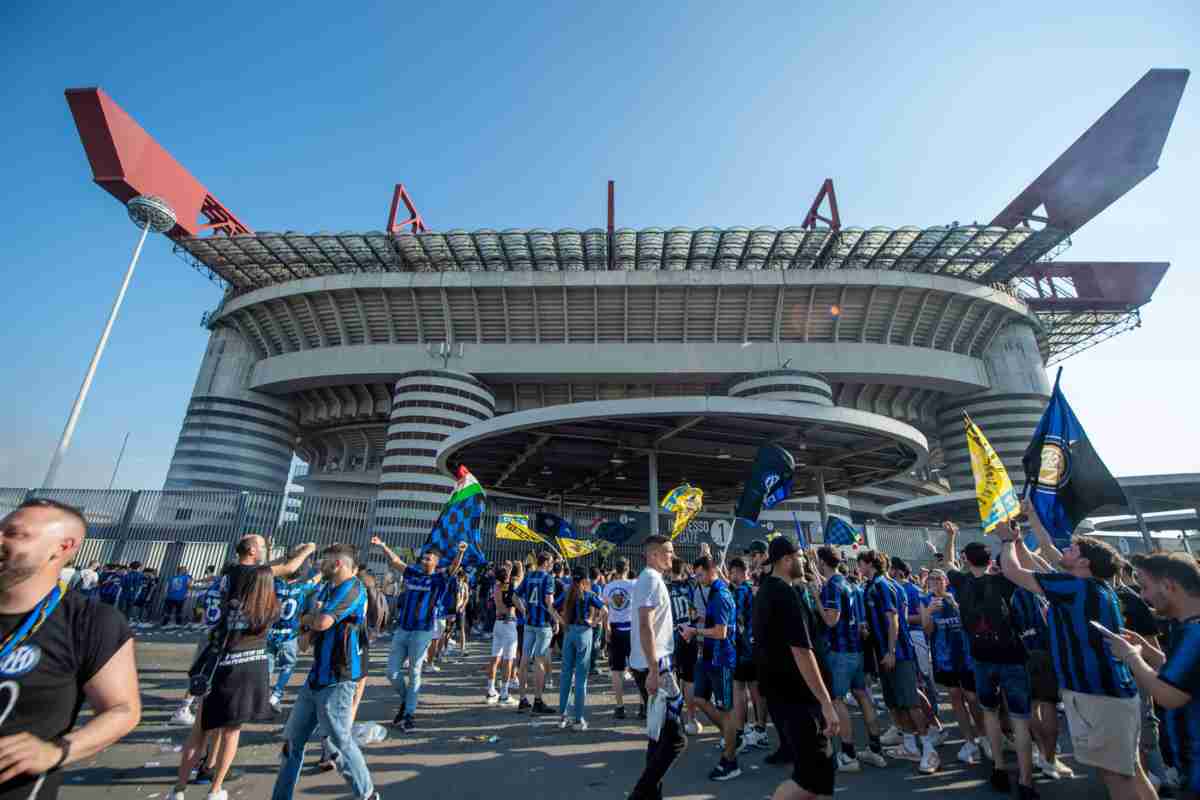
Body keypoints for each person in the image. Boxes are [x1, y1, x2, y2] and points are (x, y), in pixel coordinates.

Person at [998, 516, 1153, 800]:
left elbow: (1013, 571)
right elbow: (1036, 561)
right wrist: (1020, 537)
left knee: (1117, 777)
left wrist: (1007, 541)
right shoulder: (1090, 586)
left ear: (1084, 563)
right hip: (1110, 693)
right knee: (1130, 771)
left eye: (1072, 550)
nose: (1064, 551)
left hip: (1098, 695)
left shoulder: (1076, 588)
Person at [0, 499, 141, 799]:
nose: (0, 537)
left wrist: (56, 751)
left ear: (63, 547)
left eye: (15, 534)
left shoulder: (90, 623)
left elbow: (123, 709)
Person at [171, 535, 314, 799]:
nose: (264, 550)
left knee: (201, 728)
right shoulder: (253, 572)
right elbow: (289, 568)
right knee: (231, 729)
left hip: (218, 651)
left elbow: (269, 567)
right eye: (260, 546)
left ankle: (179, 790)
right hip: (243, 654)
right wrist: (308, 550)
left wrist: (278, 553)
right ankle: (216, 789)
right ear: (250, 550)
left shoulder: (232, 571)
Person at [271, 544, 378, 800]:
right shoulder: (328, 588)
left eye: (326, 560)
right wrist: (310, 621)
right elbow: (305, 641)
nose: (321, 563)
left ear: (338, 564)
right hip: (315, 679)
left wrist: (309, 619)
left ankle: (368, 794)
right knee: (292, 744)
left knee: (339, 745)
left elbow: (320, 621)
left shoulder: (352, 588)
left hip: (338, 680)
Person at [943, 520, 1035, 793]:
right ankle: (1026, 780)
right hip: (1012, 654)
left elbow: (948, 561)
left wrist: (951, 535)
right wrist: (1010, 540)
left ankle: (998, 768)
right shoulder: (1005, 579)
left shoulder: (960, 582)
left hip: (981, 656)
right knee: (1019, 719)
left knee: (990, 715)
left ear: (966, 560)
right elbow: (1017, 566)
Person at [1102, 553, 1200, 800]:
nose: (1143, 596)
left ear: (1169, 586)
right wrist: (1149, 653)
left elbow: (1169, 695)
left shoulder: (1194, 632)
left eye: (1145, 587)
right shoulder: (1187, 626)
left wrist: (1131, 657)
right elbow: (1187, 675)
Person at [753, 537, 839, 800]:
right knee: (812, 780)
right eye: (801, 556)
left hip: (787, 697)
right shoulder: (783, 594)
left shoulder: (770, 589)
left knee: (820, 775)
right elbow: (801, 651)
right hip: (797, 699)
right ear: (787, 559)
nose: (805, 561)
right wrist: (825, 702)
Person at [372, 536, 467, 730]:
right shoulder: (413, 573)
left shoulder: (439, 579)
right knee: (391, 672)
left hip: (422, 631)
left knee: (415, 671)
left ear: (436, 562)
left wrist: (461, 552)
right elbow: (396, 562)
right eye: (423, 558)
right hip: (403, 629)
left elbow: (454, 568)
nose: (424, 561)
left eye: (428, 559)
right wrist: (383, 546)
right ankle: (408, 700)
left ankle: (408, 714)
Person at [856, 549, 937, 772]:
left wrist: (891, 651)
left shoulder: (883, 585)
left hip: (898, 655)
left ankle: (929, 750)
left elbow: (894, 621)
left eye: (860, 563)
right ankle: (910, 746)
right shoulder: (873, 586)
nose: (858, 567)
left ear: (869, 563)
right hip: (884, 655)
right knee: (895, 704)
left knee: (910, 703)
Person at [815, 546, 886, 770]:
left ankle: (848, 755)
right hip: (856, 650)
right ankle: (875, 749)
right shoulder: (850, 584)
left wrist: (817, 599)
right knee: (862, 695)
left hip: (840, 651)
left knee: (838, 700)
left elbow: (830, 621)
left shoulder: (832, 586)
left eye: (818, 561)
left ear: (823, 562)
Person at [628, 535, 686, 800]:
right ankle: (641, 794)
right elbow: (645, 625)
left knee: (658, 736)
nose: (671, 556)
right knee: (676, 739)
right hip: (656, 666)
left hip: (652, 664)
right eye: (667, 552)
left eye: (671, 552)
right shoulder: (650, 579)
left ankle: (651, 796)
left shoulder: (650, 579)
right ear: (652, 555)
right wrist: (654, 670)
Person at [682, 555, 740, 781]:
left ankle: (730, 760)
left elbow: (721, 632)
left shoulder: (722, 595)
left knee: (726, 710)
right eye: (695, 575)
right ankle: (730, 733)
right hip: (707, 656)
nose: (697, 579)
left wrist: (696, 631)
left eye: (699, 575)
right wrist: (697, 621)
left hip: (722, 659)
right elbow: (713, 622)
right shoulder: (714, 594)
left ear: (710, 570)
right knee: (698, 698)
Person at [921, 568, 984, 767]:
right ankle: (969, 741)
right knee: (956, 697)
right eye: (931, 579)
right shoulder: (925, 601)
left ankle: (984, 735)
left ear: (946, 581)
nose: (935, 582)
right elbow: (927, 631)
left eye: (939, 578)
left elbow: (971, 622)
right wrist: (930, 612)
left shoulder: (957, 595)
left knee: (972, 697)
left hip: (965, 656)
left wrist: (955, 605)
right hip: (944, 658)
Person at [555, 566, 607, 730]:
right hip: (584, 632)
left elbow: (551, 607)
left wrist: (562, 622)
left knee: (565, 675)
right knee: (580, 679)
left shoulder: (567, 593)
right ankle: (578, 719)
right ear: (585, 580)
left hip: (569, 632)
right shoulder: (589, 594)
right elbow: (604, 610)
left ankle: (562, 717)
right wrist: (595, 622)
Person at [267, 567, 322, 712]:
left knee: (268, 664)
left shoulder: (275, 585)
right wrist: (321, 570)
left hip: (271, 633)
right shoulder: (301, 588)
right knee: (288, 665)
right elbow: (315, 580)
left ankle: (262, 694)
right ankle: (276, 695)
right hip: (289, 635)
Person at [728, 558, 768, 751]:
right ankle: (760, 729)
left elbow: (734, 620)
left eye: (732, 572)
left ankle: (740, 732)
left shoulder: (741, 592)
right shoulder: (752, 589)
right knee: (756, 690)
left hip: (742, 648)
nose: (730, 575)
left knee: (740, 690)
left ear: (738, 572)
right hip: (754, 646)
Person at [516, 552, 561, 715]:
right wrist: (557, 620)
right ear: (547, 562)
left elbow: (515, 595)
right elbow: (549, 603)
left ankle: (522, 699)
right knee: (539, 660)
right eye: (551, 562)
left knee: (524, 659)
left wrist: (524, 610)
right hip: (542, 624)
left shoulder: (528, 576)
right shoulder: (548, 578)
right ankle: (538, 700)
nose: (552, 564)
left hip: (529, 623)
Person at [666, 557, 702, 734]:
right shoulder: (691, 584)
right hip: (690, 633)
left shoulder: (666, 588)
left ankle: (676, 716)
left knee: (674, 677)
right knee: (689, 679)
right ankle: (691, 718)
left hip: (673, 634)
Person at [604, 558, 637, 719]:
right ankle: (643, 705)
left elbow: (604, 608)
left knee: (616, 670)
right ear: (628, 568)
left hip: (615, 629)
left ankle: (619, 706)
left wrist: (606, 628)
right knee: (637, 668)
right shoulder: (634, 585)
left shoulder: (608, 587)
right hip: (631, 629)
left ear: (615, 570)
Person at [485, 565, 521, 707]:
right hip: (508, 623)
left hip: (498, 623)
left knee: (495, 658)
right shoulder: (510, 587)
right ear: (507, 576)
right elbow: (519, 579)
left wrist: (509, 570)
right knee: (508, 660)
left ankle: (491, 690)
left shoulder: (496, 587)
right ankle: (504, 693)